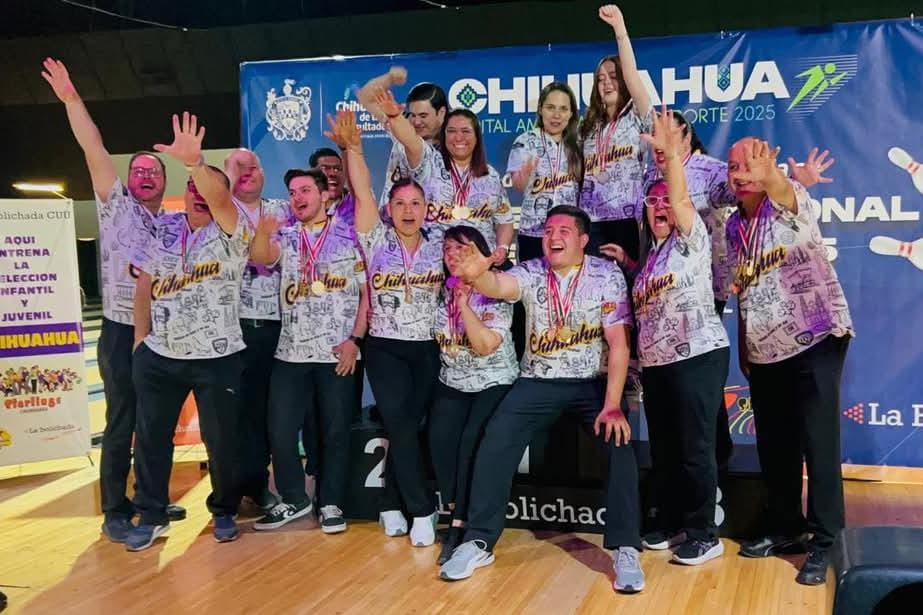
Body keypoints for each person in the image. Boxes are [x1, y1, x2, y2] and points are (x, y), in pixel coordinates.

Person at [440, 205, 646, 594]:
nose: (554, 236)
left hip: (590, 384)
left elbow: (618, 342)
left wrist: (613, 403)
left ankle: (624, 549)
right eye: (549, 229)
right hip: (537, 381)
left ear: (583, 240)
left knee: (619, 446)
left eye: (565, 230)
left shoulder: (606, 274)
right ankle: (479, 540)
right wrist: (477, 271)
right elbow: (498, 287)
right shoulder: (532, 271)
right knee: (496, 439)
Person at [625, 115, 837, 470]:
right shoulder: (658, 182)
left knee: (705, 386)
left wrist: (783, 179)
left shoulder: (720, 175)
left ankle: (717, 462)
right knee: (687, 396)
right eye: (734, 167)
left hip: (724, 289)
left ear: (687, 138)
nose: (662, 146)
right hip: (685, 294)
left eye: (671, 137)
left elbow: (750, 191)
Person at [40, 57, 185, 542]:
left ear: (165, 182)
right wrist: (71, 100)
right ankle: (114, 508)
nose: (145, 176)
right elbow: (94, 148)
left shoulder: (172, 225)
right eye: (138, 170)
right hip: (123, 329)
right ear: (129, 178)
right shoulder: (114, 205)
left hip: (162, 333)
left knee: (156, 422)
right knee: (123, 419)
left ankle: (151, 498)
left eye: (154, 172)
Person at [725, 138, 853, 585]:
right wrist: (744, 346)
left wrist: (773, 175)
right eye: (732, 166)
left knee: (818, 443)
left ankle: (825, 540)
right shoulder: (731, 229)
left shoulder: (788, 200)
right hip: (766, 348)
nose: (739, 173)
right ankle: (784, 528)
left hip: (817, 336)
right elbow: (741, 291)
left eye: (747, 166)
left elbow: (781, 188)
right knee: (775, 445)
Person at [127, 113, 251, 551]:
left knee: (223, 444)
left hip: (217, 358)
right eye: (192, 187)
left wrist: (197, 163)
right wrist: (140, 340)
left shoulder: (233, 231)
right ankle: (152, 513)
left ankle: (222, 510)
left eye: (207, 188)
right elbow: (143, 285)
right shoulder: (161, 229)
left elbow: (218, 195)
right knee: (151, 442)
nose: (199, 193)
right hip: (159, 357)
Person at [623, 107, 731, 564]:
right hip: (659, 364)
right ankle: (669, 521)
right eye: (653, 202)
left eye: (668, 201)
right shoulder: (650, 259)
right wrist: (630, 268)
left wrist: (668, 157)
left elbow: (684, 200)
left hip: (698, 356)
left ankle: (703, 532)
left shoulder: (693, 238)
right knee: (665, 448)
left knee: (695, 447)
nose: (661, 207)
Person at [332, 109, 444, 546]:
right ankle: (421, 510)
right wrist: (354, 149)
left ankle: (392, 502)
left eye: (416, 203)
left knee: (412, 427)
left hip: (429, 348)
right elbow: (360, 189)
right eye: (399, 203)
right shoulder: (374, 237)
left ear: (426, 208)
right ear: (389, 209)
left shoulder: (441, 244)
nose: (408, 210)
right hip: (385, 348)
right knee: (397, 422)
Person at [249, 168, 369, 533]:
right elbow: (259, 258)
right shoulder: (285, 236)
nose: (297, 197)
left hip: (336, 352)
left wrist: (355, 340)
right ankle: (294, 498)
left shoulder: (350, 236)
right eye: (291, 191)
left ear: (325, 195)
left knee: (335, 432)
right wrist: (262, 230)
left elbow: (368, 295)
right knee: (281, 430)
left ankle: (331, 502)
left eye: (304, 189)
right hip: (290, 353)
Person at [429, 226, 518, 564]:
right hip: (453, 381)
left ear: (480, 253)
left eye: (463, 248)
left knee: (470, 444)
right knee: (440, 440)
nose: (454, 255)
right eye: (449, 248)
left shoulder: (495, 288)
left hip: (493, 380)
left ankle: (460, 525)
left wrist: (464, 305)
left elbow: (484, 346)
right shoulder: (439, 288)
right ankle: (453, 509)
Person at [222, 148, 290, 514]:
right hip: (230, 327)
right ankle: (227, 490)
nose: (248, 172)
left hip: (275, 326)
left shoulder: (284, 210)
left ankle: (258, 484)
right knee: (229, 414)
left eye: (254, 167)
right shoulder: (220, 211)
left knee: (263, 412)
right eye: (239, 167)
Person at [372, 87, 514, 253]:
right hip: (436, 263)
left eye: (466, 131)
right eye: (451, 131)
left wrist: (502, 249)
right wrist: (396, 117)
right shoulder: (429, 162)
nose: (459, 137)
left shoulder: (490, 175)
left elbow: (504, 220)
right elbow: (411, 141)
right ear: (444, 135)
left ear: (477, 137)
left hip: (481, 265)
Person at [579, 4, 653, 259]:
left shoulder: (637, 116)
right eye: (600, 79)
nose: (607, 83)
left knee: (625, 288)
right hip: (590, 220)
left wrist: (620, 30)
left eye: (613, 76)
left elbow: (632, 75)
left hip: (627, 219)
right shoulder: (586, 127)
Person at [507, 81, 584, 262]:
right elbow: (518, 186)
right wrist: (524, 173)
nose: (556, 115)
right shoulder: (525, 141)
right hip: (533, 233)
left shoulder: (579, 144)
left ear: (571, 113)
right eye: (550, 107)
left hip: (568, 234)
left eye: (563, 109)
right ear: (541, 109)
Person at [358, 69, 449, 209]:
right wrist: (390, 78)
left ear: (441, 113)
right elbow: (366, 97)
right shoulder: (402, 126)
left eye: (423, 116)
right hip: (390, 223)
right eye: (413, 115)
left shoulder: (455, 146)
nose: (417, 122)